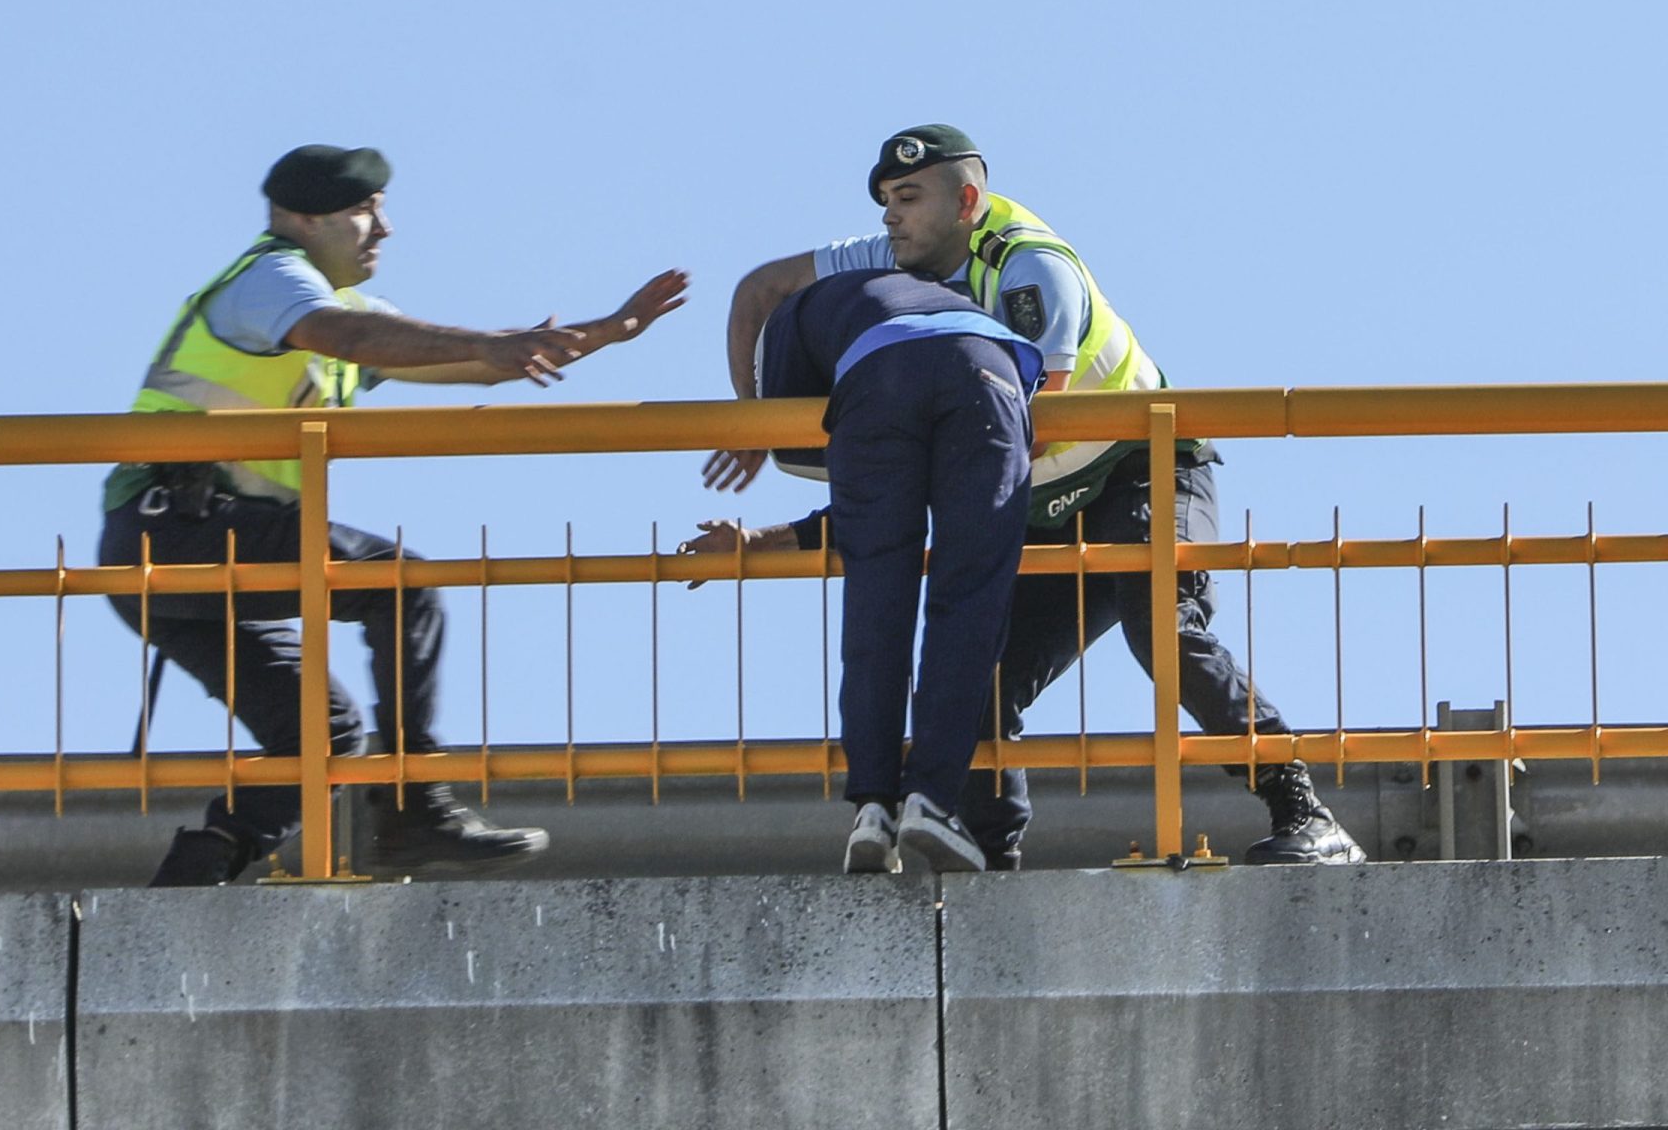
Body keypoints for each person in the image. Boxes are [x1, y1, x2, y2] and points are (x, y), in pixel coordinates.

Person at [690, 123, 1364, 869]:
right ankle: (988, 852)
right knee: (978, 672)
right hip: (1035, 501)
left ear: (967, 200)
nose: (890, 216)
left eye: (908, 198)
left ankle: (1303, 809)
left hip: (1134, 469)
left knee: (1159, 625)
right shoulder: (894, 256)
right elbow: (761, 288)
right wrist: (751, 417)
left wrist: (901, 433)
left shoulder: (1030, 266)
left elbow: (1014, 441)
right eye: (885, 200)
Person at [99, 144, 688, 886]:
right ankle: (415, 808)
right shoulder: (272, 279)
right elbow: (355, 340)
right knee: (399, 586)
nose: (383, 228)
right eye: (363, 211)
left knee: (324, 736)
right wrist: (493, 345)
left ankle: (194, 875)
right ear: (302, 220)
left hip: (187, 551)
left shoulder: (338, 309)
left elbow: (466, 361)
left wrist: (604, 331)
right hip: (180, 532)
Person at [739, 263, 1042, 872]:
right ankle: (929, 799)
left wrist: (748, 418)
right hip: (987, 370)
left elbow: (799, 440)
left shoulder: (796, 320)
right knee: (969, 601)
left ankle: (871, 810)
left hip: (876, 382)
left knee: (876, 597)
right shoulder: (937, 294)